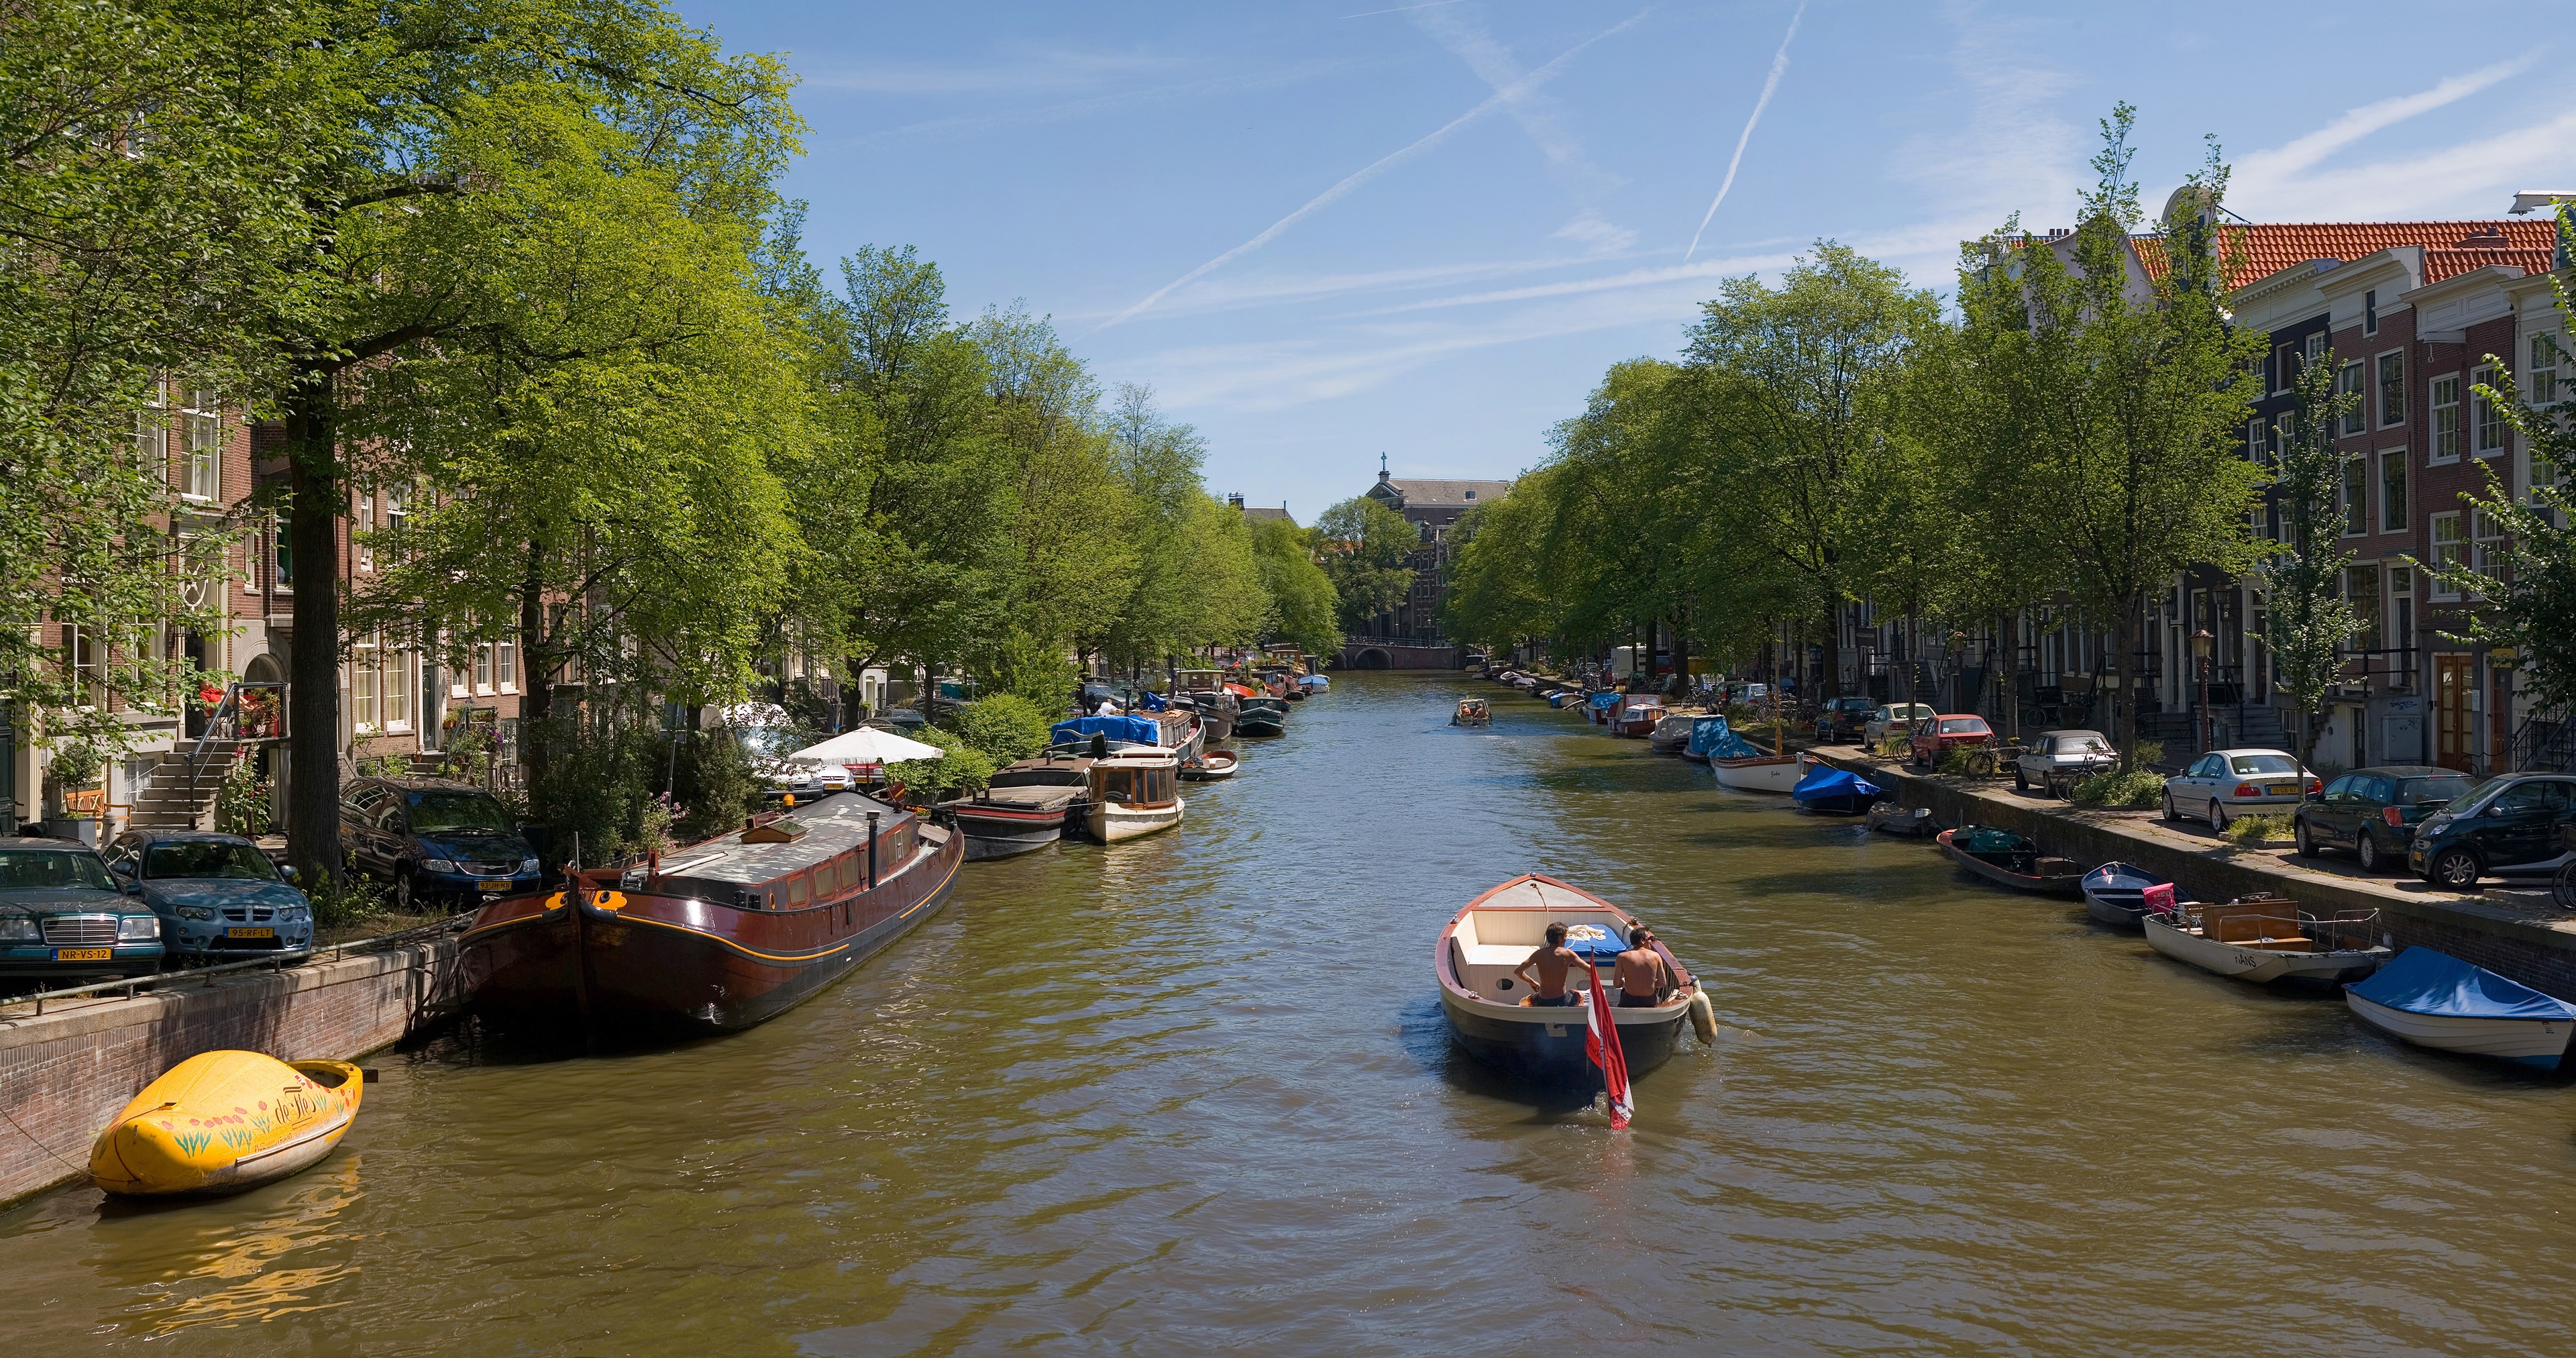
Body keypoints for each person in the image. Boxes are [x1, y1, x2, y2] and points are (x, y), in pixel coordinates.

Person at [1512, 922, 1584, 1006]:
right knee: (1581, 996)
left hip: (1542, 1000)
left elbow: (1517, 971)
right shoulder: (1568, 954)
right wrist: (1590, 972)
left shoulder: (1539, 954)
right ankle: (1572, 1016)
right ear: (1560, 938)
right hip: (1562, 999)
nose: (1567, 939)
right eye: (1566, 936)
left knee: (1522, 1002)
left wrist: (1532, 982)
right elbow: (1590, 969)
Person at [1613, 926, 1674, 1008]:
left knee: (1624, 993)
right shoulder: (1656, 956)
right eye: (1650, 939)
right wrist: (1649, 984)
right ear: (1642, 941)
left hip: (1629, 1000)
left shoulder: (1622, 957)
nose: (1651, 942)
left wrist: (1628, 982)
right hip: (1649, 1000)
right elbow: (1662, 983)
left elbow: (1617, 984)